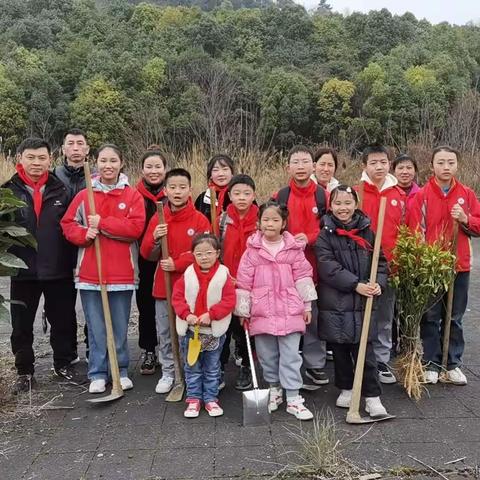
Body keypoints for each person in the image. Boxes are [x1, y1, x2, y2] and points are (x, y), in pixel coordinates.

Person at [61, 144, 145, 394]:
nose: (108, 165)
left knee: (119, 327)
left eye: (113, 160)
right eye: (103, 160)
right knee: (96, 328)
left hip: (122, 273)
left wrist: (103, 223)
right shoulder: (84, 195)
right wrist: (86, 233)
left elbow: (135, 228)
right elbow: (67, 224)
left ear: (121, 163)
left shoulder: (132, 196)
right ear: (96, 163)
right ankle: (97, 372)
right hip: (90, 274)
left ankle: (119, 370)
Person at [4, 138, 80, 393]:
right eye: (31, 158)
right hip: (23, 270)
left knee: (63, 319)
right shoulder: (7, 192)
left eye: (42, 158)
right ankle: (25, 371)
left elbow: (71, 227)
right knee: (21, 324)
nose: (36, 163)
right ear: (20, 160)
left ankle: (63, 364)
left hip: (58, 268)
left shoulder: (62, 191)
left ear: (51, 160)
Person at [235, 201, 317, 420]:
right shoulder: (252, 252)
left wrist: (307, 305)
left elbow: (303, 277)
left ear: (283, 224)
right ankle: (274, 389)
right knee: (267, 355)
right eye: (265, 220)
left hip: (291, 310)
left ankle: (293, 396)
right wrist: (244, 311)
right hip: (262, 311)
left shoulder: (293, 249)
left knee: (291, 355)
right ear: (258, 223)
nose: (269, 224)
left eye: (275, 220)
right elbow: (243, 282)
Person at [408, 146, 480, 385]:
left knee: (455, 317)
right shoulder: (422, 195)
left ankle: (452, 364)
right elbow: (415, 230)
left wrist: (465, 219)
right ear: (432, 165)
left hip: (459, 265)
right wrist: (424, 259)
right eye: (441, 162)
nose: (446, 167)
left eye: (450, 162)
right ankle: (432, 363)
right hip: (432, 266)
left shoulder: (467, 194)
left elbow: (478, 225)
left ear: (457, 165)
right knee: (430, 316)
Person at [316, 185, 390, 417]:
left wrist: (378, 283)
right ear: (331, 205)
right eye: (338, 203)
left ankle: (372, 396)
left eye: (348, 203)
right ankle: (346, 388)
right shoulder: (324, 234)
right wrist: (355, 284)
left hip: (363, 303)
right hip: (336, 303)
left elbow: (381, 262)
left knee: (365, 350)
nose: (343, 208)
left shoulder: (367, 231)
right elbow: (328, 267)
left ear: (356, 204)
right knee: (340, 349)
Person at [141, 168, 211, 394]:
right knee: (165, 331)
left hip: (192, 287)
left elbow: (206, 253)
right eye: (172, 187)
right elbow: (146, 254)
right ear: (165, 190)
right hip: (164, 286)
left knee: (189, 331)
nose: (177, 191)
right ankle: (169, 371)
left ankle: (190, 371)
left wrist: (178, 263)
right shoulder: (158, 218)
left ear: (190, 189)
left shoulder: (199, 219)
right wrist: (154, 238)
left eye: (182, 187)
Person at [272, 145, 329, 389]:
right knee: (288, 316)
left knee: (313, 316)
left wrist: (310, 237)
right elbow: (272, 226)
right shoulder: (280, 196)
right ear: (288, 167)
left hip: (315, 265)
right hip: (285, 269)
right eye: (296, 162)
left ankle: (314, 364)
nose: (301, 166)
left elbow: (330, 225)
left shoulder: (323, 196)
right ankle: (288, 365)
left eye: (305, 161)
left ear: (313, 166)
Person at [354, 145, 406, 384]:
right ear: (365, 165)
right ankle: (361, 358)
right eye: (373, 162)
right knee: (359, 315)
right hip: (360, 267)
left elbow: (408, 230)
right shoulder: (356, 193)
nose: (379, 167)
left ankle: (382, 359)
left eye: (383, 162)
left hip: (389, 268)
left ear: (389, 164)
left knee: (385, 316)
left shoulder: (398, 195)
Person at [172, 234, 236, 418]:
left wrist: (212, 314)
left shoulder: (224, 274)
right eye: (199, 254)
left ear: (217, 253)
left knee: (212, 366)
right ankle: (193, 398)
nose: (204, 257)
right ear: (193, 254)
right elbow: (177, 298)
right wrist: (187, 314)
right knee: (192, 365)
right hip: (192, 331)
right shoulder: (188, 274)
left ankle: (210, 398)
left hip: (214, 331)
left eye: (209, 253)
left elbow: (229, 300)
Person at [217, 174, 258, 391]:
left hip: (252, 283)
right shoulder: (223, 219)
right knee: (224, 326)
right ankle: (219, 367)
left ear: (254, 195)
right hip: (227, 280)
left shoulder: (261, 219)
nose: (242, 198)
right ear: (229, 195)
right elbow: (215, 249)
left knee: (246, 327)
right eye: (237, 193)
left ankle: (246, 365)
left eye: (247, 193)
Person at [53, 128, 90, 362]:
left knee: (92, 305)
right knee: (62, 307)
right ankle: (65, 354)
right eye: (71, 144)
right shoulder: (52, 177)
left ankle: (92, 348)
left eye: (80, 144)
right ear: (63, 149)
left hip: (89, 249)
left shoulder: (96, 177)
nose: (75, 148)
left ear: (87, 150)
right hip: (60, 251)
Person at [135, 149, 167, 375]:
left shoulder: (174, 191)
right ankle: (149, 349)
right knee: (145, 305)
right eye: (149, 167)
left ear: (164, 169)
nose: (154, 171)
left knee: (171, 305)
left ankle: (173, 348)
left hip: (169, 258)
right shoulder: (134, 195)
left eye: (158, 167)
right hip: (143, 258)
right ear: (142, 169)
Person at [194, 154, 234, 222]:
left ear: (232, 174)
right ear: (210, 175)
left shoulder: (240, 194)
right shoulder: (203, 198)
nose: (221, 174)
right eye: (216, 170)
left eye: (225, 169)